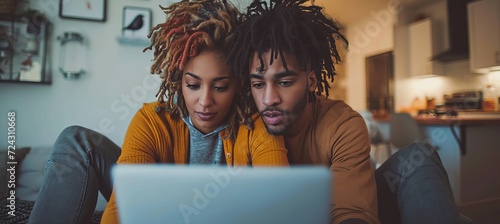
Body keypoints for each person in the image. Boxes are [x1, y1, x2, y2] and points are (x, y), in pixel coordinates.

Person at [28, 1, 289, 223]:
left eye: (221, 87)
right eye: (193, 85)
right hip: (160, 211)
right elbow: (122, 204)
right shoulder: (152, 120)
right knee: (76, 139)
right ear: (177, 80)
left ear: (238, 84)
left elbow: (280, 203)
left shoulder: (257, 124)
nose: (205, 101)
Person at [226, 0, 461, 223]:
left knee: (419, 156)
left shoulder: (342, 123)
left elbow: (352, 210)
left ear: (311, 81)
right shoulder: (245, 126)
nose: (269, 99)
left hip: (340, 211)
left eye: (284, 82)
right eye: (258, 84)